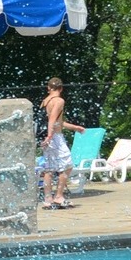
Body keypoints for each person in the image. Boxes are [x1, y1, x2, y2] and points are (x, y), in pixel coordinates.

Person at [41, 77, 85, 210]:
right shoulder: (59, 100)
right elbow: (53, 121)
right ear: (61, 88)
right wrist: (50, 136)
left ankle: (48, 199)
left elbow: (57, 121)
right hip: (54, 137)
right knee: (67, 166)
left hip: (48, 136)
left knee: (49, 169)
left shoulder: (45, 101)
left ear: (49, 88)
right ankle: (59, 197)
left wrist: (75, 127)